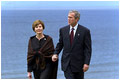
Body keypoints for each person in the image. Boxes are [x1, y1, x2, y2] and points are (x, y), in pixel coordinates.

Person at [52, 10, 92, 79]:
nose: (68, 19)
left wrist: (86, 63)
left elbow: (87, 49)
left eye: (71, 17)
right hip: (67, 63)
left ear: (77, 19)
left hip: (79, 64)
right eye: (68, 17)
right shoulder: (63, 30)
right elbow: (60, 44)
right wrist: (55, 53)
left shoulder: (85, 31)